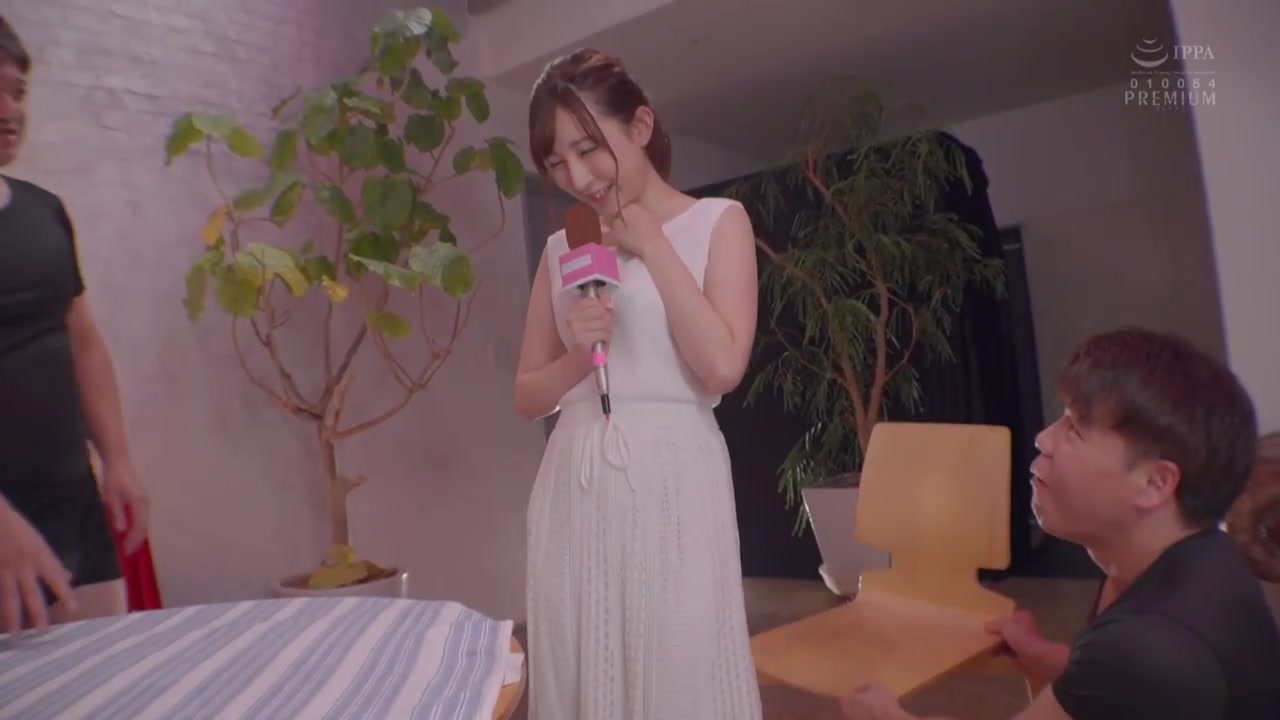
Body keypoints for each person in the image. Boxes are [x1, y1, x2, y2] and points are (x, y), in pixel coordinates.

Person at [841, 327, 1280, 720]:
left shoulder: (1148, 646)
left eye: (1075, 429)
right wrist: (1049, 659)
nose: (1043, 438)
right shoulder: (1204, 558)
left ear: (1155, 483)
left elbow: (1136, 674)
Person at [514, 48, 763, 719]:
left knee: (679, 666)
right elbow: (528, 395)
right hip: (576, 477)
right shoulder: (561, 249)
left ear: (641, 125)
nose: (577, 177)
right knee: (579, 658)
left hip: (674, 476)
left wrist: (652, 245)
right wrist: (580, 355)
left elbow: (722, 367)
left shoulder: (719, 222)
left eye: (588, 149)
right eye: (556, 162)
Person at [0, 15, 149, 636]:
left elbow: (83, 341)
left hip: (71, 500)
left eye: (17, 91)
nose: (9, 110)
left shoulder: (44, 211)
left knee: (108, 665)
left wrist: (117, 459)